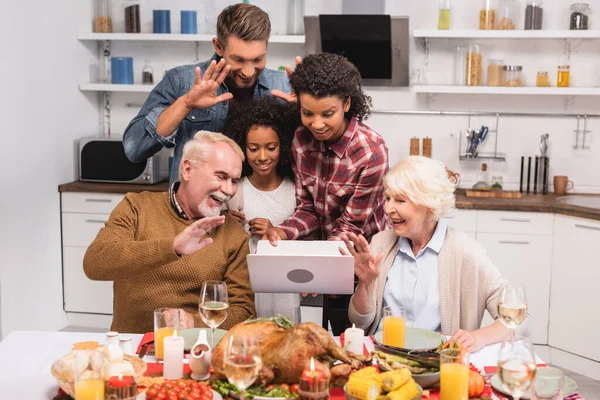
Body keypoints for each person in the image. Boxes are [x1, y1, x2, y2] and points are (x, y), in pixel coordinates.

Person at [345, 156, 531, 352]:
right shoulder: (381, 243)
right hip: (385, 356)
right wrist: (365, 284)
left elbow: (521, 321)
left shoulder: (466, 252)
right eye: (388, 198)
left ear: (429, 205)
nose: (388, 209)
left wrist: (477, 338)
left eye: (400, 200)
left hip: (437, 362)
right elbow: (360, 321)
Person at [262, 53, 390, 334]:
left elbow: (351, 227)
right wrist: (284, 232)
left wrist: (317, 268)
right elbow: (308, 209)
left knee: (358, 344)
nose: (316, 124)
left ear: (347, 104)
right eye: (307, 113)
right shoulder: (300, 141)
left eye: (327, 113)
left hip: (363, 266)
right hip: (326, 257)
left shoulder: (371, 152)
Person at [83, 131, 255, 334]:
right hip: (133, 347)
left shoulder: (233, 235)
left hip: (194, 350)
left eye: (234, 181)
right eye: (221, 176)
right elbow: (95, 264)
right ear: (188, 169)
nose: (229, 190)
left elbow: (243, 310)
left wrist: (193, 323)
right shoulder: (137, 207)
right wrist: (172, 247)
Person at [123, 3, 292, 184]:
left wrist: (302, 115)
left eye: (258, 59)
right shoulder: (181, 81)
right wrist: (186, 104)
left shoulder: (283, 86)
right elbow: (134, 149)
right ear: (218, 46)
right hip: (196, 210)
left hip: (259, 207)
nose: (249, 71)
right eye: (238, 59)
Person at [223, 97, 301, 322]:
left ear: (283, 146)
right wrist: (226, 222)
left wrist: (275, 231)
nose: (262, 157)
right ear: (242, 148)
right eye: (253, 149)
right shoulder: (234, 191)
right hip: (242, 290)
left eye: (271, 148)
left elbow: (306, 240)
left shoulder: (295, 191)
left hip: (285, 291)